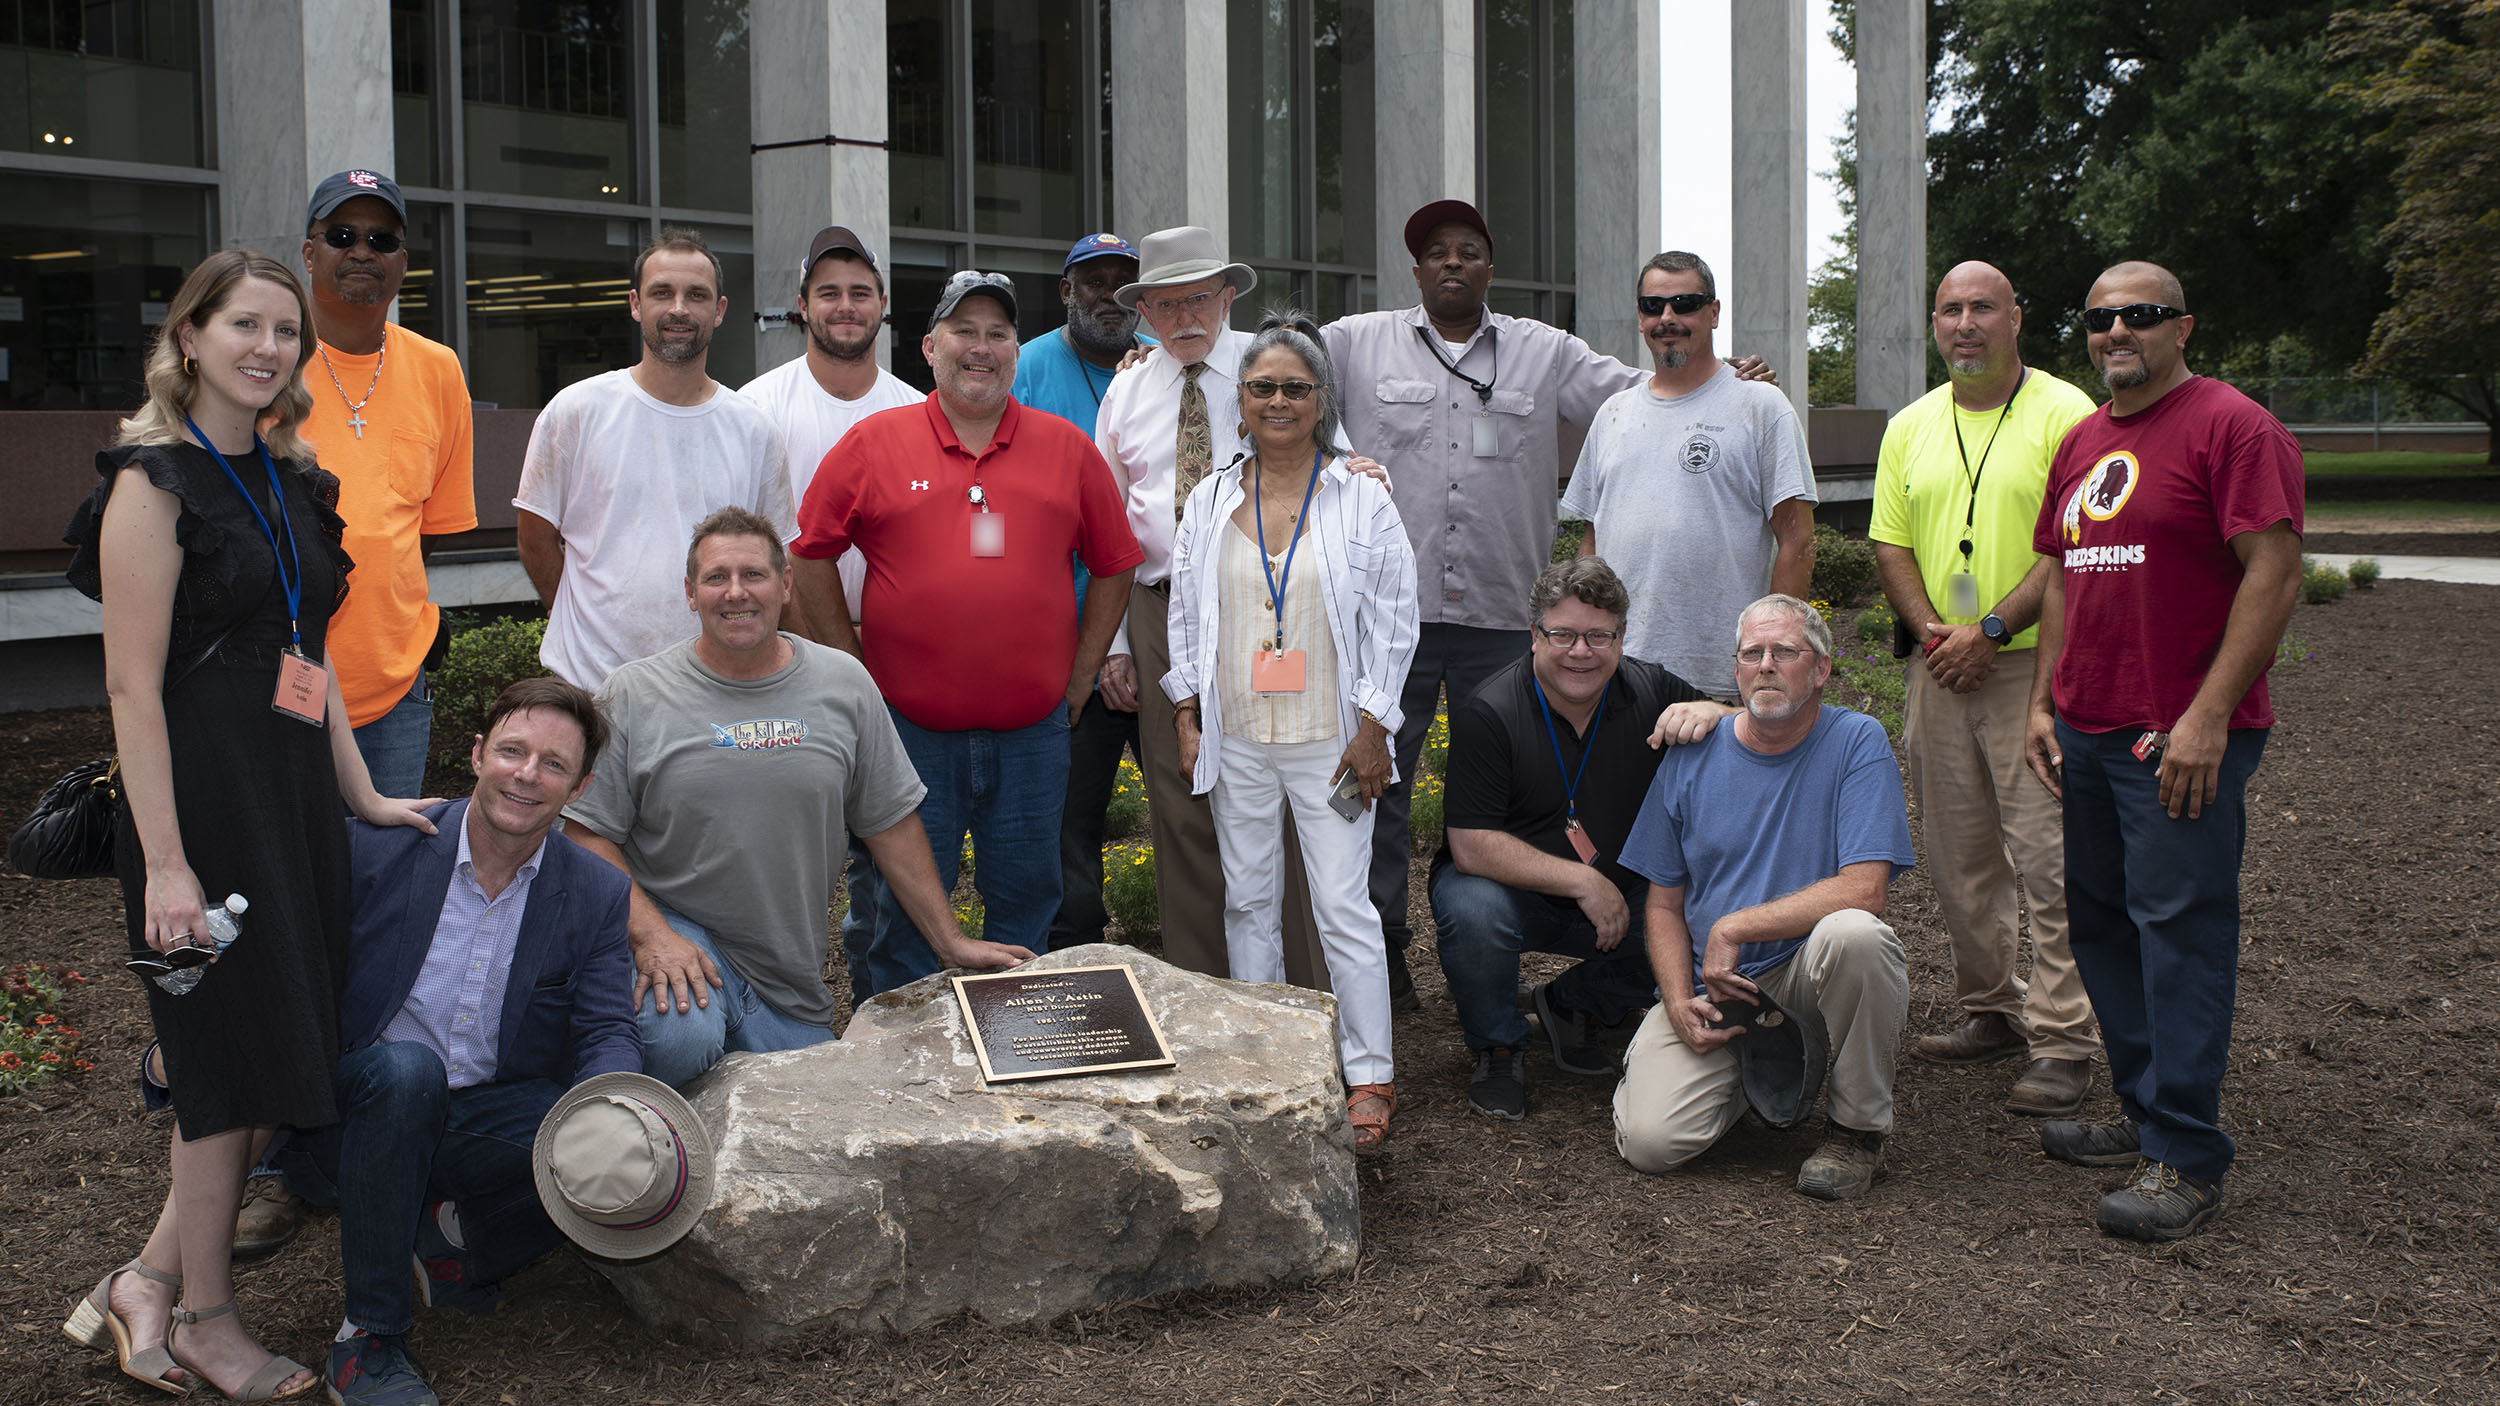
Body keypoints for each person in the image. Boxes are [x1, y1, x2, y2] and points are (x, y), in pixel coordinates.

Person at [59, 249, 436, 1402]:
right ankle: (205, 1315)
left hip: (291, 806)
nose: (267, 347)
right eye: (244, 326)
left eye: (284, 330)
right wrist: (165, 863)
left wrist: (360, 794)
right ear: (190, 339)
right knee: (228, 1063)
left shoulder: (290, 479)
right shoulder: (152, 484)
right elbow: (131, 690)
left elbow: (302, 656)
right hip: (203, 813)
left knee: (277, 1052)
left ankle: (144, 1282)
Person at [1322, 202, 1777, 1006]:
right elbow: (1269, 382)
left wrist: (1734, 381)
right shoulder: (1354, 344)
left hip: (1505, 624)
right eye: (1437, 252)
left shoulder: (1546, 352)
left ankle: (1523, 940)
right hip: (1386, 622)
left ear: (1490, 269)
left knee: (1526, 786)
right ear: (1416, 270)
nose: (1453, 263)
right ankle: (1381, 954)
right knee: (1377, 790)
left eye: (1470, 250)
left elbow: (1651, 388)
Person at [2023, 261, 2303, 1241]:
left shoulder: (2233, 426)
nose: (2114, 332)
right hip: (2087, 727)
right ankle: (2145, 1111)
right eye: (2099, 318)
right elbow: (2059, 575)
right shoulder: (2082, 440)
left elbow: (2272, 572)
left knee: (2178, 928)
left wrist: (2208, 713)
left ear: (2181, 326)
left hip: (2175, 737)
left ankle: (2185, 1154)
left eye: (2137, 316)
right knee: (2102, 925)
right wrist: (2043, 703)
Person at [570, 509, 1033, 1087]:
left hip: (787, 987)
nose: (736, 593)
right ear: (690, 593)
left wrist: (951, 941)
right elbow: (586, 830)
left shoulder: (844, 683)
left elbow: (890, 823)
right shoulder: (634, 692)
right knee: (676, 1034)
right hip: (682, 941)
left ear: (786, 586)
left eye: (754, 575)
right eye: (716, 578)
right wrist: (652, 936)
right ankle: (645, 1149)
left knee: (814, 1098)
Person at [270, 678, 636, 1406]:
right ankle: (367, 1340)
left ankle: (457, 1241)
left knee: (596, 1121)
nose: (527, 775)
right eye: (512, 751)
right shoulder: (379, 846)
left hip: (476, 1118)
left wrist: (618, 1114)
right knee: (408, 1073)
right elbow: (287, 976)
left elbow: (604, 1027)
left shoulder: (594, 890)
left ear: (581, 785)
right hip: (354, 1114)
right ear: (476, 754)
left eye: (553, 764)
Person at [791, 272, 1139, 996]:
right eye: (964, 332)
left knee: (1026, 909)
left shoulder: (1067, 448)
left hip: (1034, 735)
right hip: (908, 735)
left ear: (1017, 350)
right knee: (898, 916)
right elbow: (810, 553)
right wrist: (849, 672)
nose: (981, 348)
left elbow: (1115, 564)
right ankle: (899, 1075)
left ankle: (1011, 1070)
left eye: (998, 334)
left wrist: (1080, 677)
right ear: (929, 347)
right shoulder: (871, 443)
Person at [1164, 312, 1419, 1150]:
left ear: (1321, 400)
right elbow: (1189, 615)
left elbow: (1394, 620)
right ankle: (1269, 1061)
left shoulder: (1361, 495)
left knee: (1344, 904)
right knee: (1248, 901)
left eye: (1295, 388)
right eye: (1262, 387)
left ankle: (1368, 1074)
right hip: (1237, 736)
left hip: (1332, 741)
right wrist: (1186, 710)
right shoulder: (1207, 498)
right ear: (1240, 401)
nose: (1278, 400)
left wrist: (1376, 724)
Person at [1870, 260, 2102, 1117]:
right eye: (1950, 310)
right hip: (1940, 666)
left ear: (2015, 317)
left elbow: (2070, 545)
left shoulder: (2068, 414)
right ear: (1935, 323)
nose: (1965, 324)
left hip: (2032, 667)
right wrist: (1937, 632)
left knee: (2046, 857)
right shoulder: (1911, 426)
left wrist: (1992, 629)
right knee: (1960, 857)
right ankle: (1993, 1010)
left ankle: (2065, 1039)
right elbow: (1891, 543)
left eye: (1982, 308)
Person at [1612, 595, 1914, 1201]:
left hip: (1809, 968)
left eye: (1785, 652)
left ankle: (1856, 1131)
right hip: (1720, 989)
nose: (1767, 665)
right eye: (1753, 653)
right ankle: (1758, 1073)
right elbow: (1664, 905)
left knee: (1857, 935)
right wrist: (1675, 999)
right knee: (1651, 1144)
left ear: (1822, 668)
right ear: (1736, 671)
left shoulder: (1857, 741)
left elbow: (1866, 887)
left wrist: (1732, 928)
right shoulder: (1691, 755)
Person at [1430, 558, 1732, 1119]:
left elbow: (1742, 730)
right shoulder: (1490, 709)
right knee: (1471, 910)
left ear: (1621, 636)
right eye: (1563, 634)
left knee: (1705, 913)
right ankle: (1498, 1046)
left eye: (1599, 636)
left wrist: (1713, 708)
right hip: (1515, 894)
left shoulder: (1653, 690)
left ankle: (1572, 1004)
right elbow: (1471, 843)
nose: (1580, 652)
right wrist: (1582, 880)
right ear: (1534, 635)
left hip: (1626, 897)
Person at [734, 225, 924, 1009]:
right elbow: (743, 540)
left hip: (893, 657)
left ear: (882, 305)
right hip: (785, 652)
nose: (845, 308)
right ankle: (775, 1007)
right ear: (800, 306)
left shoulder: (918, 408)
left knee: (883, 837)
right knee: (787, 839)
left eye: (860, 293)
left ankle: (883, 1010)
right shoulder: (756, 408)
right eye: (828, 293)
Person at [514, 228, 798, 690]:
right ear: (635, 304)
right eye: (661, 293)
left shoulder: (754, 428)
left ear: (720, 310)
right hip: (591, 684)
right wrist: (573, 620)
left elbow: (779, 557)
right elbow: (534, 537)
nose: (679, 309)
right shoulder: (576, 410)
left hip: (716, 687)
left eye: (697, 295)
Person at [1564, 251, 1817, 698]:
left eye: (1685, 303)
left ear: (1714, 313)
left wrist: (1770, 655)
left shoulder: (1760, 405)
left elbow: (1797, 540)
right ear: (1640, 317)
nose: (1667, 317)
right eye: (1653, 306)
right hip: (1619, 674)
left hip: (1719, 679)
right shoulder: (1613, 414)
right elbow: (1592, 541)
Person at [297, 169, 476, 799]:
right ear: (309, 251)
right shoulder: (268, 366)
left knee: (383, 880)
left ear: (403, 260)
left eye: (382, 239)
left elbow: (426, 532)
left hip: (396, 689)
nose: (363, 251)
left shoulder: (437, 368)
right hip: (280, 681)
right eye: (343, 234)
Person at [1015, 233, 1149, 950]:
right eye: (1091, 282)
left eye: (1123, 284)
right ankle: (1075, 959)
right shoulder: (1027, 368)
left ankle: (1198, 955)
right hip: (1068, 642)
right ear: (1066, 291)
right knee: (1072, 819)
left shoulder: (1167, 365)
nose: (1108, 295)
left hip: (1166, 636)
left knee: (1199, 814)